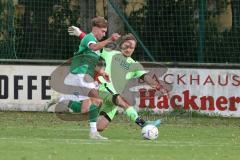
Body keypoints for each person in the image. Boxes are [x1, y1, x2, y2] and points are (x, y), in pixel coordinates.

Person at [68, 26, 162, 133]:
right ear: (121, 45)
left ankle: (72, 104)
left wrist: (156, 85)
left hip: (114, 95)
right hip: (105, 87)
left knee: (99, 127)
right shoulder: (111, 54)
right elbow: (95, 46)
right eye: (126, 46)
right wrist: (80, 34)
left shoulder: (135, 65)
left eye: (132, 48)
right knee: (124, 102)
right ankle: (144, 124)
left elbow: (145, 76)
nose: (128, 49)